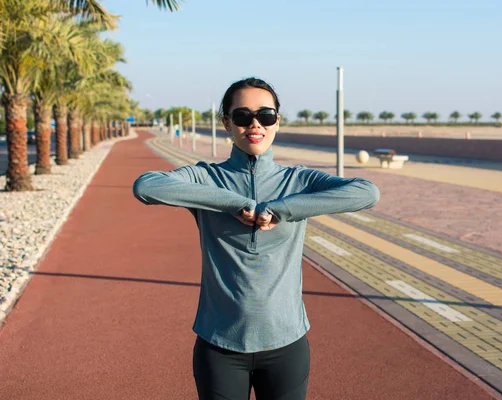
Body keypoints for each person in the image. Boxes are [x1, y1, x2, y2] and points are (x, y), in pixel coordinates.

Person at [132, 77, 380, 400]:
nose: (254, 125)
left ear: (277, 120)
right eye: (242, 116)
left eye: (265, 115)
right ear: (226, 123)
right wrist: (235, 204)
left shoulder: (298, 180)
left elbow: (367, 193)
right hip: (219, 346)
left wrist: (283, 209)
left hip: (286, 346)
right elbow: (146, 187)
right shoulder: (206, 177)